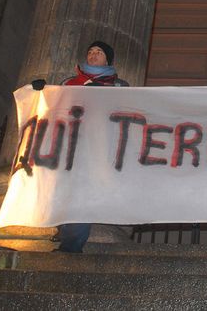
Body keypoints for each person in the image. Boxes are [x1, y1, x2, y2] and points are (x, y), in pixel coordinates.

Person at [32, 40, 128, 253]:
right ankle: (64, 228)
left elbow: (127, 111)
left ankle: (71, 243)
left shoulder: (120, 86)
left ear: (107, 59)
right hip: (68, 144)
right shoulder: (69, 82)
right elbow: (54, 105)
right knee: (64, 188)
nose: (93, 55)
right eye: (90, 52)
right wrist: (39, 92)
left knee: (82, 190)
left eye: (99, 52)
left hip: (98, 147)